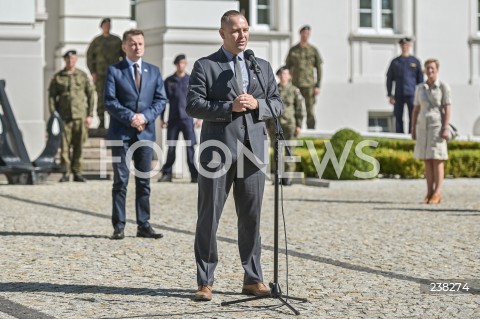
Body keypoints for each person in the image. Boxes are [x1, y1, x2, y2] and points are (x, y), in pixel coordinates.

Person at [186, 10, 283, 301]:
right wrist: (230, 107)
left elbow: (277, 104)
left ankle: (253, 278)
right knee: (209, 217)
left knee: (251, 217)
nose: (242, 36)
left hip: (253, 151)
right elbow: (193, 105)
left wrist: (257, 104)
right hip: (217, 151)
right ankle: (205, 281)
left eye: (245, 30)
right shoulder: (206, 66)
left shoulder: (261, 66)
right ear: (223, 34)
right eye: (236, 31)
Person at [104, 29, 167, 240]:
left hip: (145, 133)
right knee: (120, 180)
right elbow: (110, 101)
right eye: (132, 44)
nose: (137, 47)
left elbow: (161, 100)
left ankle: (143, 224)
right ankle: (119, 225)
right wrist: (131, 117)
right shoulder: (114, 71)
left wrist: (144, 117)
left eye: (140, 43)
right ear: (124, 46)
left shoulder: (153, 71)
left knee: (144, 182)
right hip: (121, 132)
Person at [48, 50, 95, 183]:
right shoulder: (58, 77)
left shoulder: (82, 76)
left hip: (80, 116)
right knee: (64, 147)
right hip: (64, 117)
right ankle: (65, 172)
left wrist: (90, 114)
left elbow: (91, 95)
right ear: (65, 60)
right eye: (68, 59)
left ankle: (78, 172)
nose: (70, 61)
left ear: (76, 60)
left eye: (73, 59)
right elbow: (51, 97)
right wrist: (54, 115)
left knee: (79, 146)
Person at [411, 58, 451, 204]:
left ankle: (437, 192)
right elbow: (415, 109)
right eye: (428, 68)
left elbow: (447, 107)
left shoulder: (443, 87)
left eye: (432, 68)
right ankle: (428, 192)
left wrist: (446, 127)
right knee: (427, 159)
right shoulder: (420, 88)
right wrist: (413, 128)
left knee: (437, 158)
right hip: (422, 126)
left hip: (437, 126)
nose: (430, 71)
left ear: (437, 70)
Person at [158, 54, 201, 183]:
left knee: (190, 148)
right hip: (173, 119)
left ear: (186, 64)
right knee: (171, 147)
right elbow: (163, 101)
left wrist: (199, 117)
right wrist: (161, 118)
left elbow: (197, 100)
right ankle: (167, 174)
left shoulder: (191, 80)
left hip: (188, 120)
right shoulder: (169, 81)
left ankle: (194, 175)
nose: (181, 65)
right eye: (179, 63)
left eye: (183, 63)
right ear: (176, 64)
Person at [266, 66, 304, 186]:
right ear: (278, 76)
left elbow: (299, 109)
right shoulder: (273, 90)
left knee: (289, 151)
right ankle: (277, 176)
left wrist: (299, 125)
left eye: (286, 74)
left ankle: (288, 178)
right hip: (275, 125)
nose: (283, 76)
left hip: (289, 125)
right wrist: (267, 125)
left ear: (289, 76)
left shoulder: (294, 91)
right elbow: (267, 108)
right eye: (281, 74)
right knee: (277, 152)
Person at [87, 18, 124, 129]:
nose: (107, 27)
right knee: (101, 98)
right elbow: (90, 57)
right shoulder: (96, 41)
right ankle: (101, 121)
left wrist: (122, 71)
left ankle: (114, 121)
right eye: (105, 25)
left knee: (114, 97)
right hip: (100, 75)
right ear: (101, 27)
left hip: (114, 75)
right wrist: (93, 72)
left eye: (108, 25)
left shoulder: (117, 40)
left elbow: (124, 56)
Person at [285, 25, 323, 129]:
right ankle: (296, 128)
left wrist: (318, 85)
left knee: (310, 109)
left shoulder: (313, 50)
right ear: (300, 33)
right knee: (295, 107)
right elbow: (287, 67)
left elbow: (319, 69)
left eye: (307, 33)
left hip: (309, 84)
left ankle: (311, 130)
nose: (305, 35)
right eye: (304, 33)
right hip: (295, 83)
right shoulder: (293, 50)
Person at [386, 37, 423, 133]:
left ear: (409, 46)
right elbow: (389, 78)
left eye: (406, 45)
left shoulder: (415, 61)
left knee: (413, 116)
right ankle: (399, 135)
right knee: (398, 116)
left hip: (412, 94)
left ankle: (412, 134)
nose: (404, 47)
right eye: (403, 45)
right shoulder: (395, 62)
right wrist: (390, 94)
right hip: (398, 93)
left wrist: (420, 95)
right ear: (400, 46)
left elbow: (420, 80)